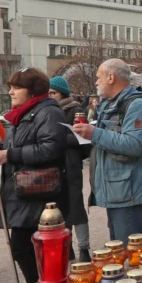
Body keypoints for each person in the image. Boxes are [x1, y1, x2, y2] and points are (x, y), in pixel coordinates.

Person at [0, 68, 68, 283]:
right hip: (23, 190)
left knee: (23, 247)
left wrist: (10, 155)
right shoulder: (22, 113)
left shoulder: (48, 112)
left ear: (33, 90)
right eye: (10, 87)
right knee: (26, 248)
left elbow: (51, 148)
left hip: (40, 191)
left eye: (16, 88)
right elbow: (18, 145)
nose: (10, 92)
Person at [72, 59, 142, 244]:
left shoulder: (137, 105)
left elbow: (134, 144)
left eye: (98, 77)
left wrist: (95, 133)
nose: (96, 82)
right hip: (117, 190)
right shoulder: (109, 105)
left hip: (127, 192)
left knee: (129, 250)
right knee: (119, 250)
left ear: (111, 77)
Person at [49, 75, 91, 263]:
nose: (50, 96)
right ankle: (67, 247)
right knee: (59, 209)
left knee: (76, 207)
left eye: (54, 92)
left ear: (63, 93)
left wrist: (57, 140)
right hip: (55, 167)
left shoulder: (75, 110)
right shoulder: (49, 111)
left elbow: (83, 139)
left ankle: (84, 248)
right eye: (49, 92)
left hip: (71, 166)